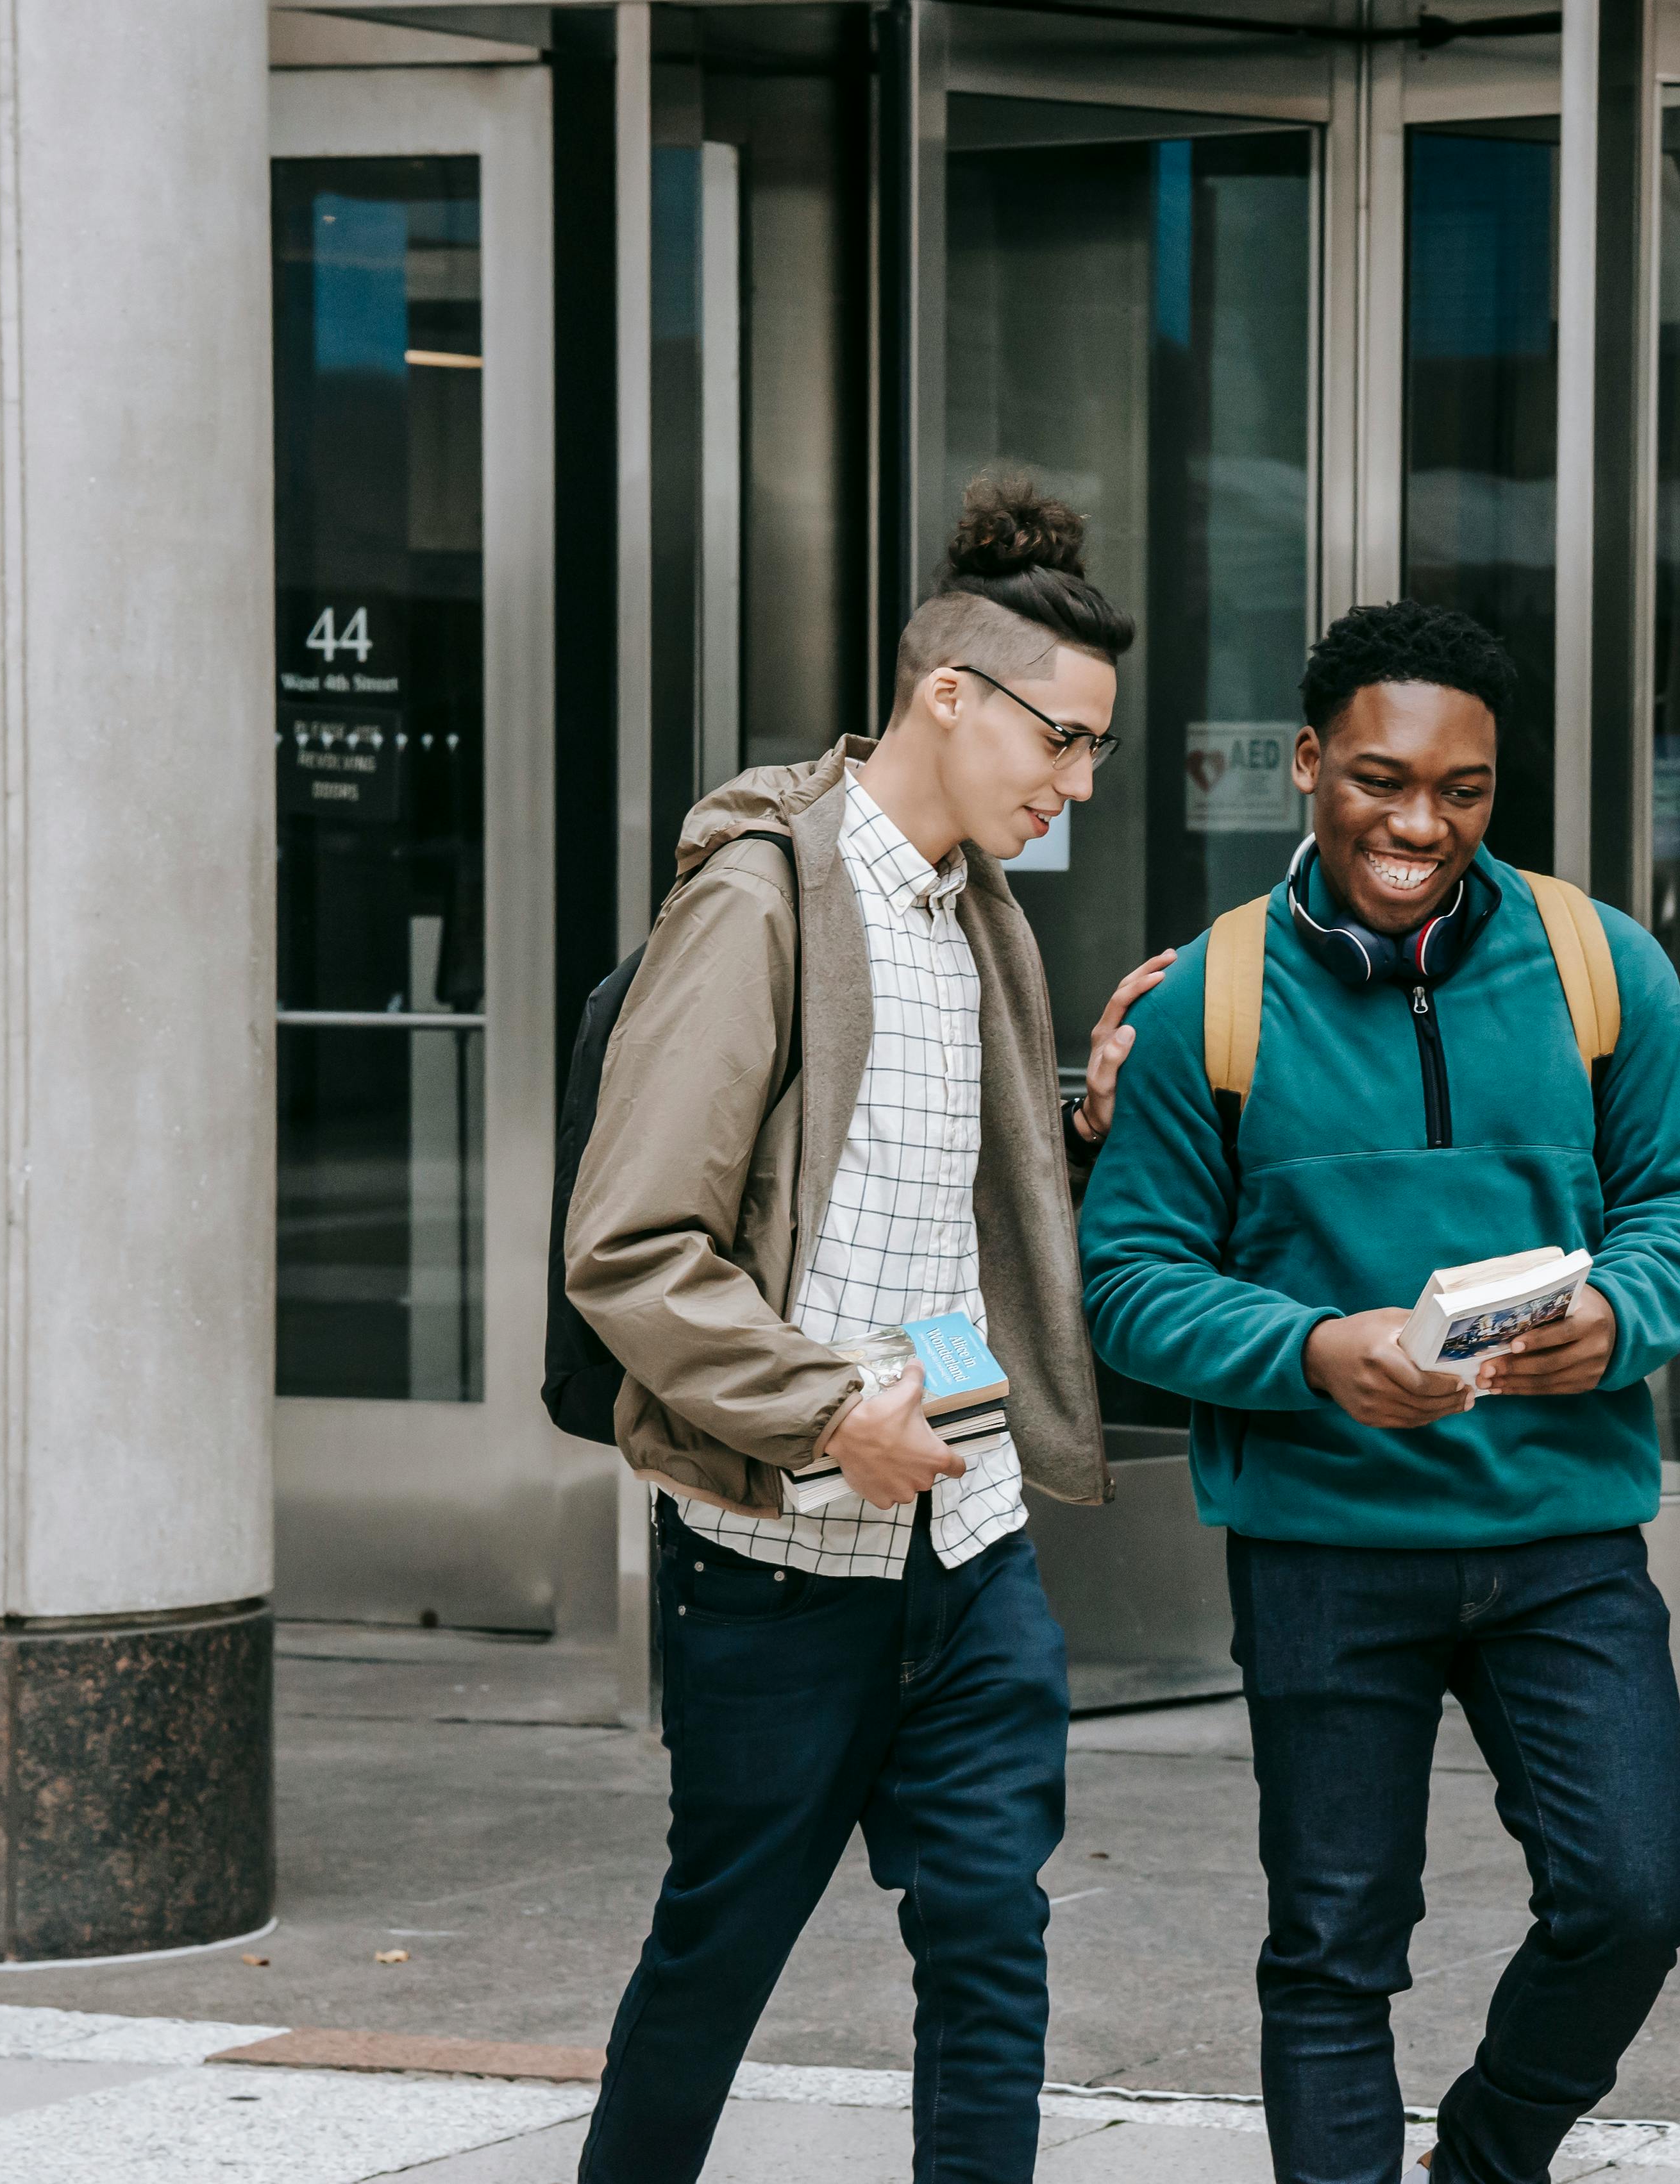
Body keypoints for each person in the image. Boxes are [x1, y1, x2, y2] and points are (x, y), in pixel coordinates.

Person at [1076, 600, 1680, 2184]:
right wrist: (1316, 1353)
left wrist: (1623, 1317)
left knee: (1635, 1897)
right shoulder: (1207, 1003)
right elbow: (1132, 1284)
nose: (1418, 826)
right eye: (1380, 780)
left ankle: (1489, 2160)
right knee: (1333, 1949)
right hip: (1322, 1547)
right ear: (1308, 765)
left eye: (1462, 792)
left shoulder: (1601, 965)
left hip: (1563, 1541)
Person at [560, 478, 1172, 2184]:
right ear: (949, 693)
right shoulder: (762, 905)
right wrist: (830, 1412)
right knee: (715, 1963)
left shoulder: (979, 912)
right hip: (776, 1566)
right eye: (1066, 736)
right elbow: (632, 1243)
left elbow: (893, 1183)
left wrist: (1075, 1124)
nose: (1080, 780)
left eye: (1098, 747)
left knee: (991, 1944)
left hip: (966, 1548)